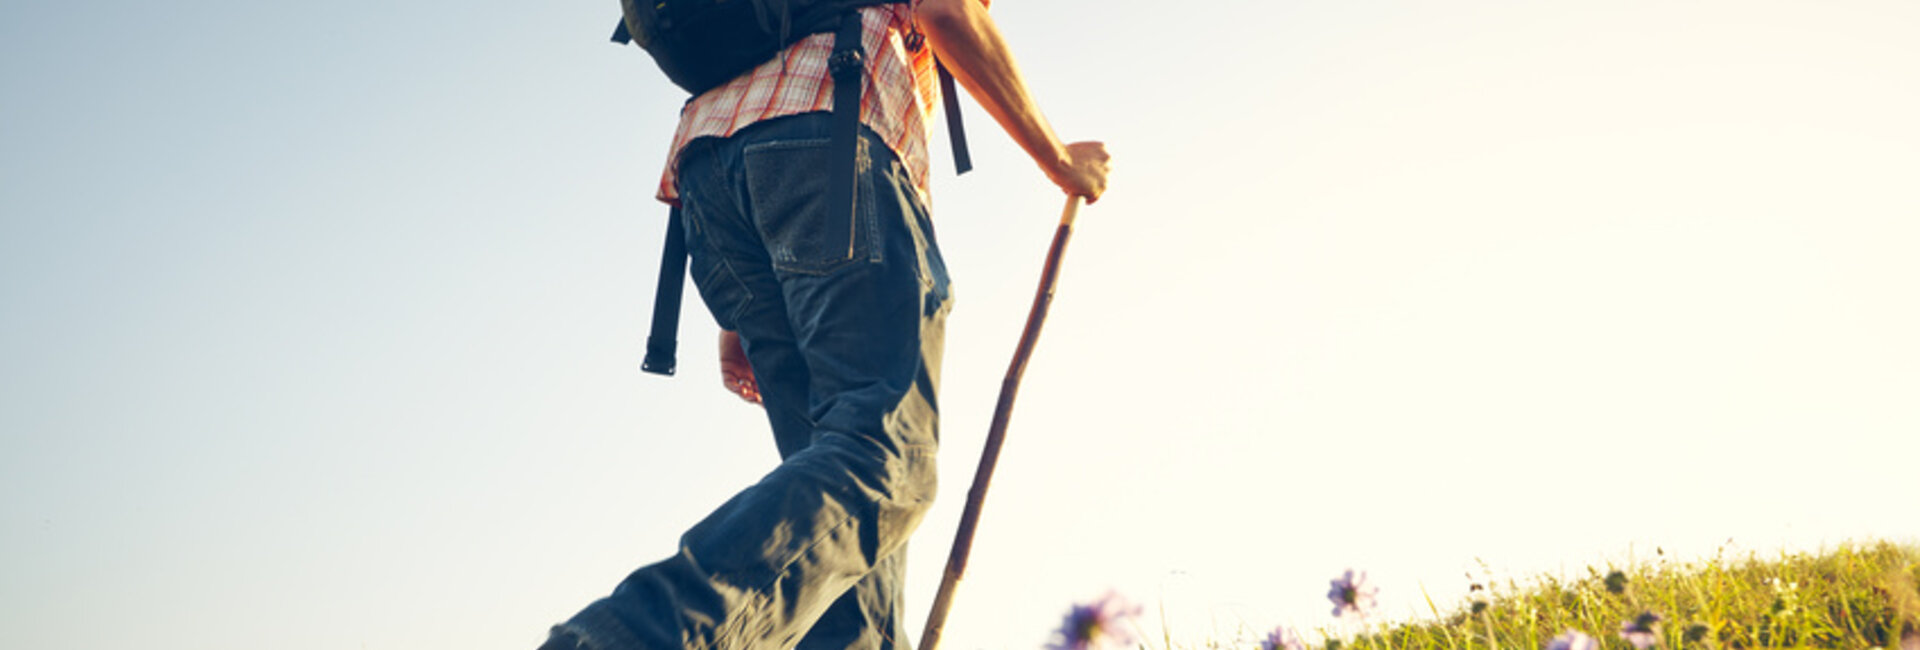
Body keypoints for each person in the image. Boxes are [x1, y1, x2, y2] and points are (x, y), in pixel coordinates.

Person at [543, 1, 1109, 648]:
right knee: (885, 457)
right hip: (831, 141)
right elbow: (949, 12)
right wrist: (1058, 157)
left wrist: (742, 316)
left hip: (710, 179)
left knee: (842, 543)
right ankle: (630, 637)